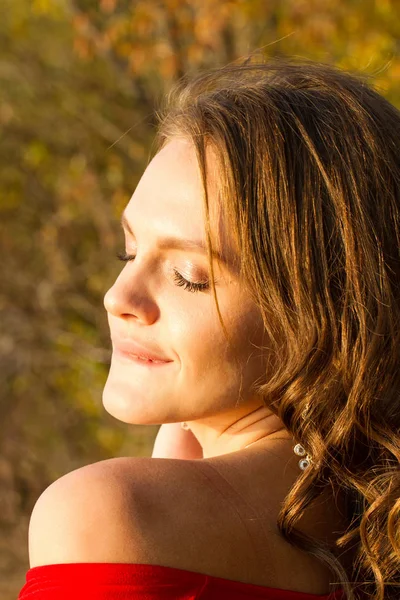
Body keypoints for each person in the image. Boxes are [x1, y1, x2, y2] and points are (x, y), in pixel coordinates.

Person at [18, 57, 400, 600]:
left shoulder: (101, 516)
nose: (117, 297)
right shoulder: (372, 524)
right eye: (128, 251)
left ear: (322, 313)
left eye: (188, 276)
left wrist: (146, 507)